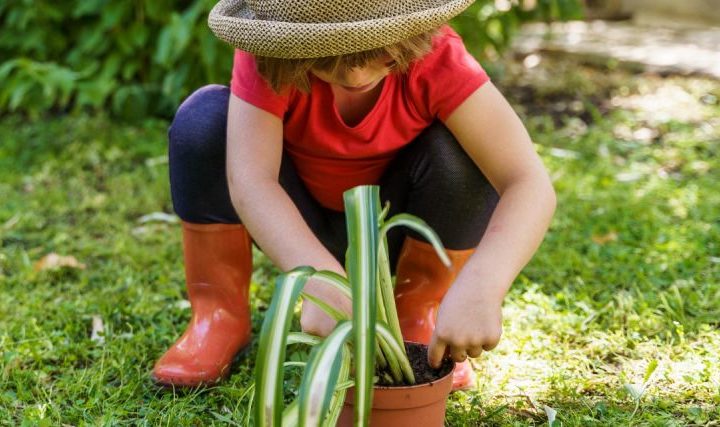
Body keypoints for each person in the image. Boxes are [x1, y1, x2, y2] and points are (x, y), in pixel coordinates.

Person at [152, 0, 556, 391]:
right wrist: (318, 277)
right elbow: (252, 181)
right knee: (203, 121)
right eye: (327, 57)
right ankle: (219, 315)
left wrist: (483, 284)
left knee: (462, 148)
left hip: (394, 228)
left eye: (379, 50)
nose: (356, 73)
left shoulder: (439, 57)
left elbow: (527, 181)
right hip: (297, 219)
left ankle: (418, 312)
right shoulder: (272, 56)